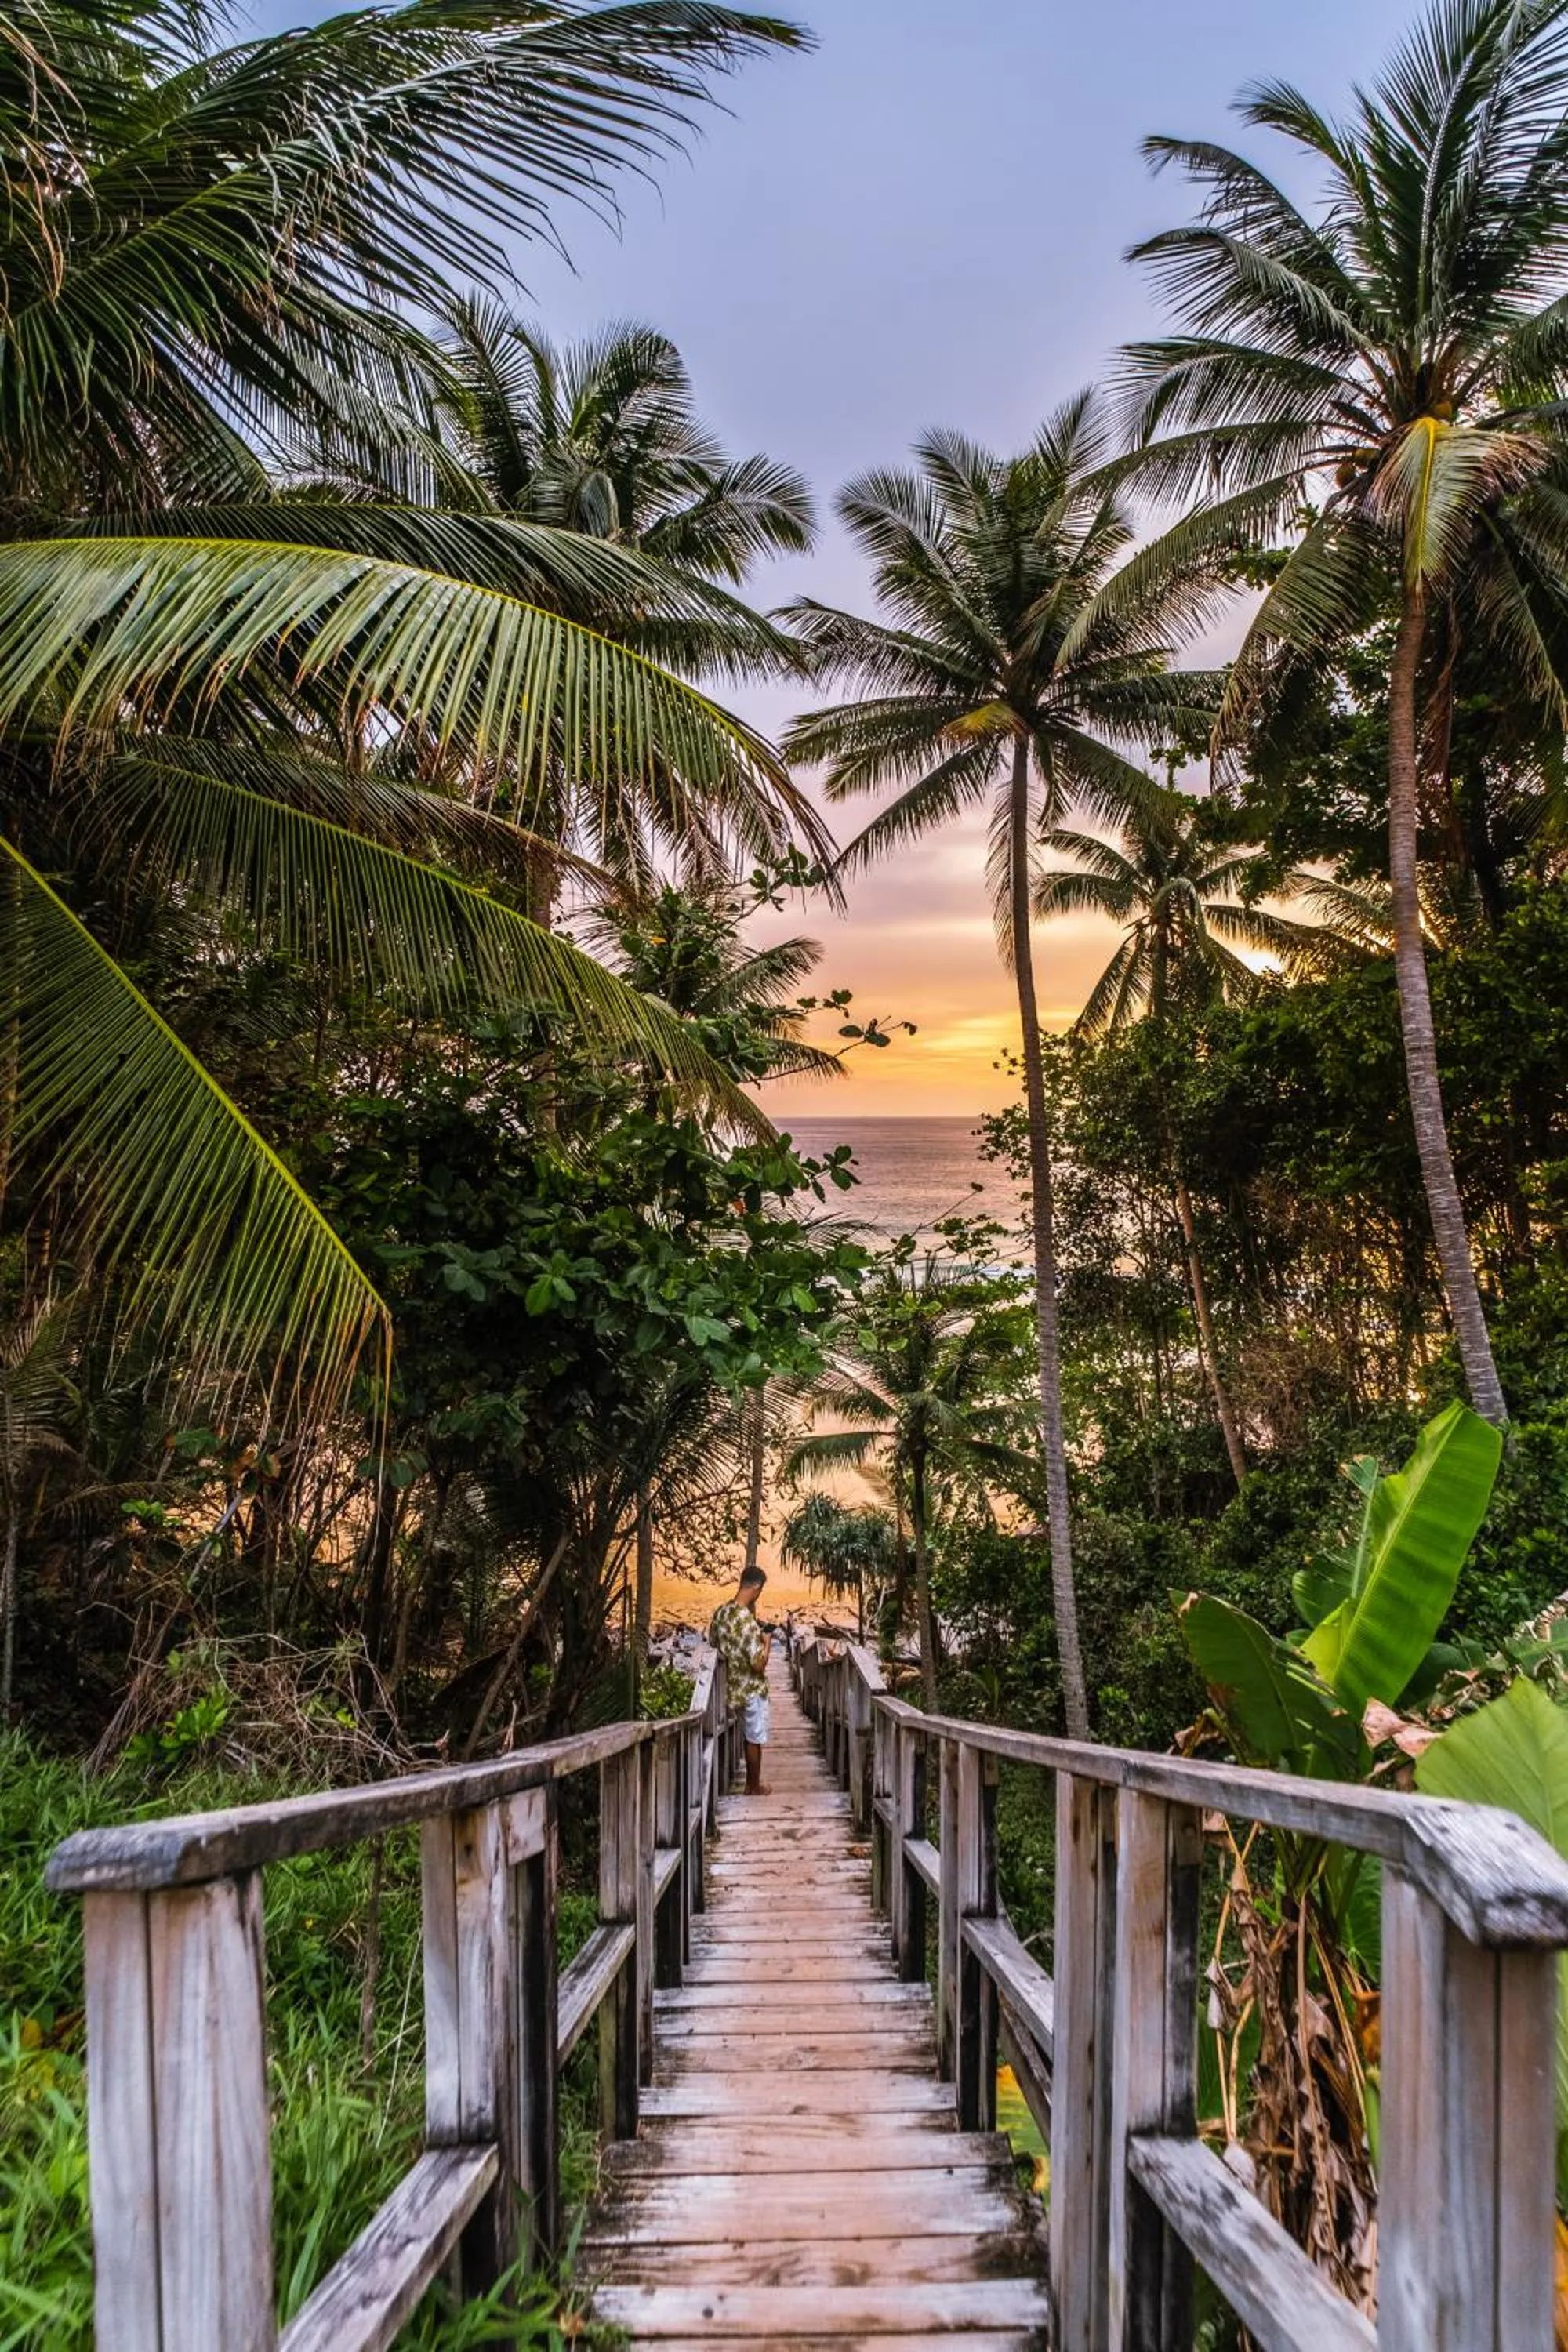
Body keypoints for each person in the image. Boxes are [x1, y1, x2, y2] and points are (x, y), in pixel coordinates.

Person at [708, 1565, 772, 1795]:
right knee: (754, 1736)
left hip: (729, 1686)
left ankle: (747, 1784)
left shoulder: (721, 1613)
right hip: (750, 1687)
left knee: (747, 1733)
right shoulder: (746, 1621)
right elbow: (758, 1664)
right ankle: (753, 1786)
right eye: (760, 1590)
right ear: (756, 1587)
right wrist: (766, 1642)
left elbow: (713, 1642)